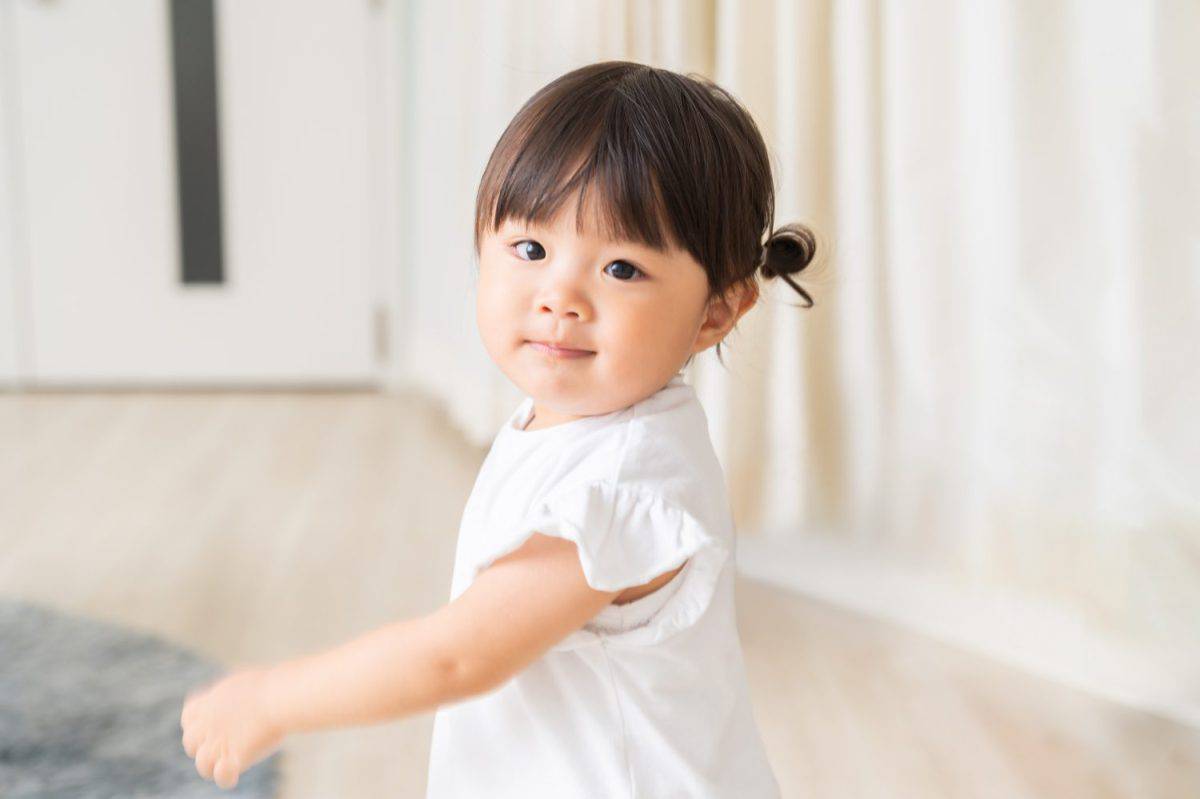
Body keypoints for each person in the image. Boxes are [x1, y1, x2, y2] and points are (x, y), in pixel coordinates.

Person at [180, 60, 816, 797]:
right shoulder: (576, 424)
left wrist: (275, 698)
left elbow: (456, 657)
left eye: (620, 268)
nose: (560, 298)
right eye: (532, 250)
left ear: (716, 311)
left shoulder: (624, 485)